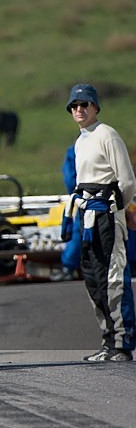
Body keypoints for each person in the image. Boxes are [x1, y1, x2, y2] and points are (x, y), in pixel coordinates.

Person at [62, 84, 136, 362]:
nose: (79, 110)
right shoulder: (80, 141)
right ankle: (107, 341)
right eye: (74, 106)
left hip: (107, 213)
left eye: (84, 105)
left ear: (95, 107)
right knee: (93, 279)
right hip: (87, 216)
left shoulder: (107, 134)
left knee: (113, 277)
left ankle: (122, 343)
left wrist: (118, 209)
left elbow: (127, 180)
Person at [52, 145, 82, 281]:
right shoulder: (108, 143)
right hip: (108, 197)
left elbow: (70, 179)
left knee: (79, 230)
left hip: (86, 198)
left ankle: (69, 267)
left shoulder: (76, 149)